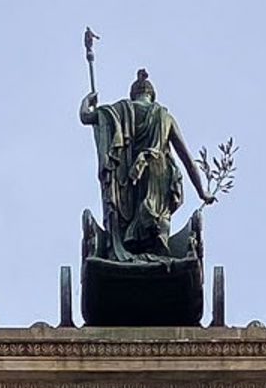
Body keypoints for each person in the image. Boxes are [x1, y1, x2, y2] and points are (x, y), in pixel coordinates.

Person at [81, 69, 212, 258]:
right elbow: (188, 160)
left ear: (134, 94)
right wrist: (202, 192)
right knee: (157, 217)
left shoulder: (117, 111)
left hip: (127, 173)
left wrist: (88, 100)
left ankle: (128, 246)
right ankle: (160, 245)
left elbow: (85, 116)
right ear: (151, 95)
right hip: (158, 173)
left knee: (132, 213)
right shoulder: (165, 117)